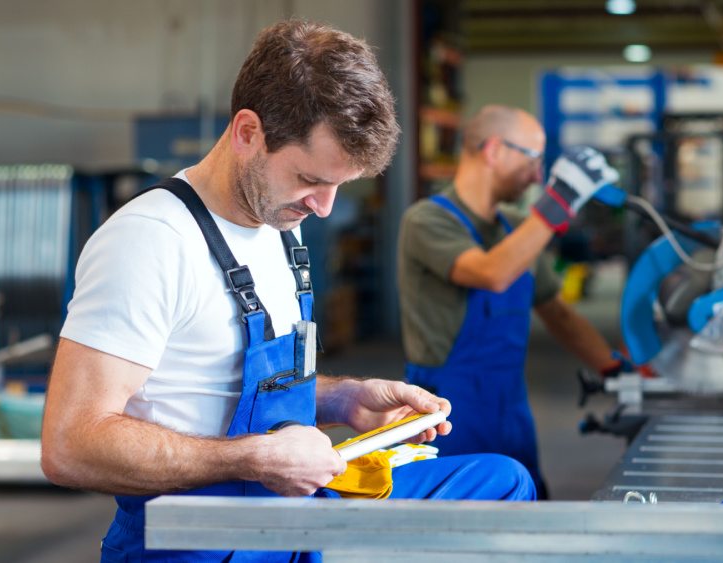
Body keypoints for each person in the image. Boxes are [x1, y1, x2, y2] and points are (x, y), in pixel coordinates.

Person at [40, 22, 534, 563]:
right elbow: (70, 445)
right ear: (247, 133)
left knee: (503, 482)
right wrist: (254, 458)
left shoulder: (279, 220)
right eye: (311, 180)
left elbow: (220, 381)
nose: (323, 207)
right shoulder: (150, 242)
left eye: (339, 185)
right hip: (201, 537)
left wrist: (348, 399)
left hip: (288, 508)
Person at [397, 105, 627, 498]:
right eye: (534, 158)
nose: (539, 174)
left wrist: (616, 370)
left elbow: (558, 313)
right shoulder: (427, 221)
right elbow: (492, 273)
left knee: (527, 511)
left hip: (511, 408)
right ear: (494, 151)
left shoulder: (521, 228)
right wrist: (560, 200)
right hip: (447, 417)